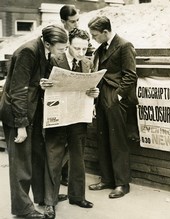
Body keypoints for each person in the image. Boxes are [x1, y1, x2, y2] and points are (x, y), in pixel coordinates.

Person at [0, 25, 68, 219]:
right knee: (21, 163)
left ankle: (41, 197)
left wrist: (41, 82)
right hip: (18, 114)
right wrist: (21, 126)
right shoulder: (28, 52)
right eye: (61, 48)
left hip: (33, 111)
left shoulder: (43, 50)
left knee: (38, 156)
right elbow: (17, 90)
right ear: (48, 43)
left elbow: (31, 80)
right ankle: (22, 209)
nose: (63, 52)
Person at [41, 28, 98, 219]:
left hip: (78, 116)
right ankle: (50, 202)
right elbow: (39, 83)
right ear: (68, 45)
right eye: (76, 49)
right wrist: (42, 84)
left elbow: (90, 88)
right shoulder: (53, 59)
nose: (81, 53)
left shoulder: (87, 63)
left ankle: (77, 196)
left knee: (78, 157)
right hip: (57, 115)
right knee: (53, 157)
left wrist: (94, 93)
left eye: (84, 49)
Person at [87, 16, 138, 198]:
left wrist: (117, 96)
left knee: (118, 141)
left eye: (95, 35)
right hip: (101, 97)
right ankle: (107, 179)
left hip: (115, 98)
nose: (93, 39)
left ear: (105, 32)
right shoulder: (101, 48)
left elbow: (131, 75)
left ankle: (122, 183)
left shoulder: (124, 45)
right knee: (103, 139)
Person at [59, 4, 80, 187]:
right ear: (63, 21)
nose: (76, 24)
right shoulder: (58, 37)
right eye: (72, 22)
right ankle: (59, 174)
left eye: (77, 20)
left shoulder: (77, 36)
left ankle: (65, 175)